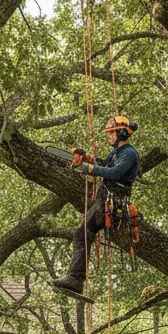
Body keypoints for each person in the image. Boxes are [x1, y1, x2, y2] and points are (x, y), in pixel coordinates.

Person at [50, 115, 140, 295]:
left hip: (113, 203)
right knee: (82, 234)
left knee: (82, 233)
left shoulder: (130, 153)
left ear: (121, 133)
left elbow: (114, 172)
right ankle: (76, 278)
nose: (109, 137)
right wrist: (88, 159)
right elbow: (104, 165)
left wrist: (88, 169)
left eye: (111, 133)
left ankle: (75, 278)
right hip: (104, 201)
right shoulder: (116, 153)